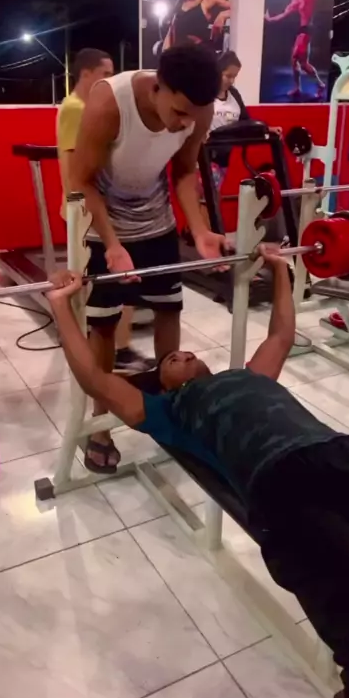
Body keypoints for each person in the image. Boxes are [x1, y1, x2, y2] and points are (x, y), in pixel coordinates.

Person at [47, 253, 349, 698]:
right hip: (277, 483)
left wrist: (279, 269)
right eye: (170, 360)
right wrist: (61, 306)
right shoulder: (167, 412)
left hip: (333, 450)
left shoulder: (250, 377)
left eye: (183, 352)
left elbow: (281, 335)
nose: (181, 354)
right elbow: (94, 378)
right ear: (163, 386)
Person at [69, 44, 227, 473]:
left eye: (193, 116)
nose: (184, 123)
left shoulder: (199, 110)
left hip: (156, 220)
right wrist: (112, 243)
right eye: (178, 112)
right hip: (102, 221)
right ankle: (100, 425)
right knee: (103, 325)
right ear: (158, 86)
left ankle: (175, 404)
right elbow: (81, 179)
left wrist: (199, 231)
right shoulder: (110, 102)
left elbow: (184, 172)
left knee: (168, 310)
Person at [57, 48, 150, 374]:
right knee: (115, 287)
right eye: (105, 74)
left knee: (113, 286)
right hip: (87, 212)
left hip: (94, 210)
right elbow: (75, 168)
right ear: (86, 74)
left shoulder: (83, 107)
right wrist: (83, 210)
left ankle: (115, 348)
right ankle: (118, 351)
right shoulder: (76, 108)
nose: (109, 81)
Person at [265, 0, 326, 99]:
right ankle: (297, 88)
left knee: (303, 63)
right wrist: (270, 19)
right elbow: (284, 14)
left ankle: (320, 85)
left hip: (306, 30)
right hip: (301, 31)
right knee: (294, 61)